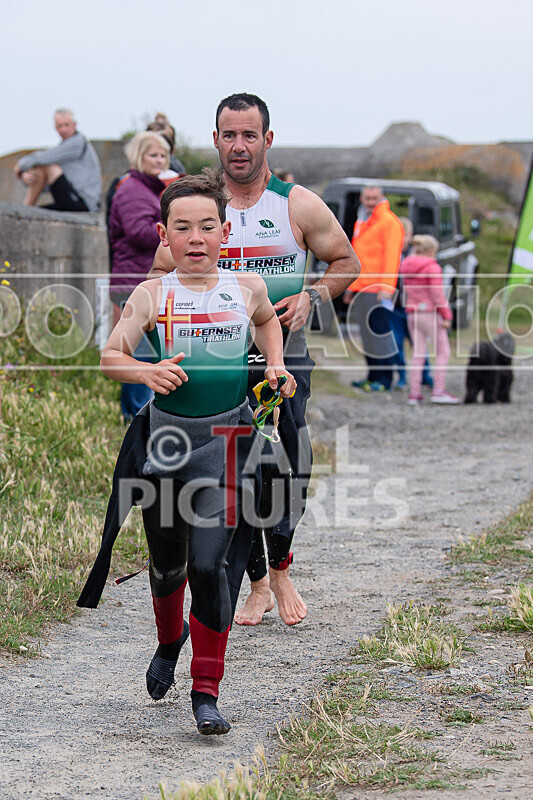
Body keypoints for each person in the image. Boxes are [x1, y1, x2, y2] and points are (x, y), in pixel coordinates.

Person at [78, 171, 296, 735]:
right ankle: (169, 640)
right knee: (167, 564)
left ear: (224, 232)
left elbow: (267, 322)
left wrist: (274, 365)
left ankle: (206, 690)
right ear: (163, 235)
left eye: (206, 226)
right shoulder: (152, 294)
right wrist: (145, 371)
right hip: (167, 445)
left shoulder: (247, 288)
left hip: (228, 443)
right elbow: (110, 356)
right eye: (182, 227)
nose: (195, 237)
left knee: (208, 565)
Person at [147, 93, 360, 627]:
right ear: (215, 140)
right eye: (229, 135)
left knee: (288, 467)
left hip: (280, 359)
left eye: (249, 135)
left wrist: (313, 295)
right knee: (234, 475)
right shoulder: (198, 209)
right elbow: (157, 277)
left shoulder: (296, 205)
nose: (238, 146)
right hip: (214, 364)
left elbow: (347, 261)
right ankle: (260, 581)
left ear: (267, 140)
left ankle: (281, 567)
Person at [108, 131, 171, 421]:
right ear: (138, 157)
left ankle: (137, 413)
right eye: (152, 155)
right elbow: (138, 232)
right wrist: (174, 230)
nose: (159, 160)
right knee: (138, 353)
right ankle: (135, 415)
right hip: (132, 281)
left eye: (163, 155)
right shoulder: (133, 189)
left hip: (142, 280)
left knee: (144, 351)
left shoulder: (149, 188)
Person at [343, 185, 404, 392]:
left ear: (381, 198)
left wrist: (386, 288)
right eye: (367, 198)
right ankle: (372, 376)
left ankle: (384, 378)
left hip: (378, 290)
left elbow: (391, 258)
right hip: (362, 288)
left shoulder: (389, 222)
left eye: (374, 198)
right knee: (367, 336)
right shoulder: (363, 221)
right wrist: (351, 287)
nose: (370, 202)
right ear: (362, 199)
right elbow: (357, 256)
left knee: (380, 334)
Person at [400, 235, 460, 405]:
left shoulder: (406, 265)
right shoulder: (432, 267)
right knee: (443, 352)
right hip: (429, 314)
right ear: (432, 251)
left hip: (412, 313)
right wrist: (446, 314)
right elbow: (437, 294)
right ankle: (438, 391)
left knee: (418, 354)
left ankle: (414, 393)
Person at [13, 108, 101, 212]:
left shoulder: (77, 143)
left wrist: (20, 165)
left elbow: (43, 157)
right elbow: (47, 183)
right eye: (60, 126)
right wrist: (26, 178)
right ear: (55, 127)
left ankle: (26, 208)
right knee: (36, 212)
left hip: (84, 203)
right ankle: (26, 209)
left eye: (66, 125)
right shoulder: (64, 146)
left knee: (48, 166)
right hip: (69, 198)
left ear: (74, 125)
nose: (63, 129)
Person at [390, 217, 433, 390]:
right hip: (395, 306)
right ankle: (402, 376)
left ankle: (425, 375)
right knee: (396, 343)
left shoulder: (416, 257)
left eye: (405, 234)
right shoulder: (391, 254)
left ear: (410, 235)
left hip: (414, 308)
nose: (401, 239)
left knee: (419, 343)